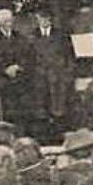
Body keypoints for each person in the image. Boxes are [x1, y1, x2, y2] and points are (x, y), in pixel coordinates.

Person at [25, 12, 73, 144]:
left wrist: (67, 75)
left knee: (58, 109)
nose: (44, 21)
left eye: (47, 18)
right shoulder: (31, 36)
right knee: (40, 110)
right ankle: (42, 140)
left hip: (58, 79)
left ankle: (58, 139)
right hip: (39, 79)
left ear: (51, 19)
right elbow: (27, 59)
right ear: (37, 19)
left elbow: (70, 56)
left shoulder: (61, 35)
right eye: (41, 18)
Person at [0, 9, 29, 125]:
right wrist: (4, 70)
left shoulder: (19, 37)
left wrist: (18, 66)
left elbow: (26, 55)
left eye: (10, 20)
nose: (8, 23)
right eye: (5, 21)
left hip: (18, 78)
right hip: (1, 80)